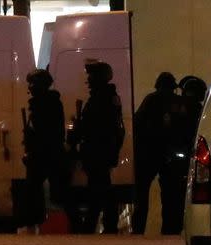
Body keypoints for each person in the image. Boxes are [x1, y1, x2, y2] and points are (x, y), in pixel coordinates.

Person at [132, 72, 197, 235]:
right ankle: (170, 230)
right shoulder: (178, 102)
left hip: (150, 153)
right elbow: (185, 129)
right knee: (170, 195)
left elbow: (137, 124)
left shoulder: (151, 100)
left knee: (142, 195)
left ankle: (139, 229)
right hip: (170, 155)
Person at [78, 61, 124, 234]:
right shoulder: (108, 97)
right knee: (101, 186)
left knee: (99, 188)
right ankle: (103, 223)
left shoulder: (101, 98)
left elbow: (94, 126)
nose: (88, 80)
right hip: (103, 150)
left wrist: (79, 131)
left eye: (91, 76)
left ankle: (98, 225)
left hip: (98, 151)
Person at [21, 69, 65, 234]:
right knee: (40, 190)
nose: (30, 87)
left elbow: (43, 132)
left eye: (32, 83)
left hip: (43, 154)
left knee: (36, 190)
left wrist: (31, 144)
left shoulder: (43, 104)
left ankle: (39, 223)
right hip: (47, 153)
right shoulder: (49, 102)